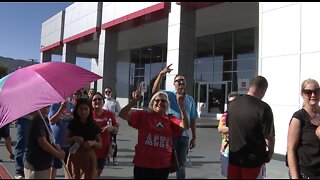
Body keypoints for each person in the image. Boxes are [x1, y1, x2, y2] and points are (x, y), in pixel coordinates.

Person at [119, 89, 189, 179]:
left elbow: (185, 126)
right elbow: (122, 114)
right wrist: (134, 101)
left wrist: (182, 109)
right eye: (157, 100)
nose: (160, 103)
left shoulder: (170, 119)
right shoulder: (143, 115)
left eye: (163, 101)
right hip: (143, 164)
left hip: (162, 166)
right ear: (152, 103)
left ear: (167, 104)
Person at [152, 64, 198, 179]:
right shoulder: (169, 95)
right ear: (174, 84)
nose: (181, 82)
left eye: (183, 81)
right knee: (166, 162)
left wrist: (194, 136)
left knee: (181, 164)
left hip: (184, 137)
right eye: (178, 81)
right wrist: (161, 74)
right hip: (170, 135)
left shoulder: (190, 99)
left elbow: (192, 119)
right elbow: (155, 91)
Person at [226, 75, 275, 179]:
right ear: (263, 91)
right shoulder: (263, 108)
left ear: (250, 87)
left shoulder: (231, 105)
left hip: (234, 159)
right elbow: (269, 136)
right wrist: (270, 153)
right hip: (253, 162)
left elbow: (229, 128)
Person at [287, 78, 320, 179]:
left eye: (316, 91)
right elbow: (291, 149)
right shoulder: (299, 117)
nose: (313, 95)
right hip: (306, 174)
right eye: (308, 92)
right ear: (302, 94)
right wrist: (295, 177)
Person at [24, 106, 65, 179]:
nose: (47, 109)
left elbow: (47, 138)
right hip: (37, 165)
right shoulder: (38, 120)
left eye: (48, 107)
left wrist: (54, 146)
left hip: (44, 164)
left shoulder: (44, 119)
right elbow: (42, 142)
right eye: (44, 107)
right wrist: (57, 153)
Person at [65, 98, 102, 179]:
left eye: (86, 109)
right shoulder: (72, 123)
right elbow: (66, 141)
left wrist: (92, 143)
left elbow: (100, 144)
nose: (83, 112)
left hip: (89, 158)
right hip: (75, 156)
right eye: (81, 109)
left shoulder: (93, 125)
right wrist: (74, 138)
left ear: (90, 110)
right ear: (77, 109)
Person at [92, 92, 119, 177]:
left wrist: (112, 128)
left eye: (99, 99)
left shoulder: (109, 114)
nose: (97, 101)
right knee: (91, 173)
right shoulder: (88, 114)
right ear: (91, 102)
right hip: (91, 149)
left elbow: (116, 130)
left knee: (98, 172)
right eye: (94, 100)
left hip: (104, 149)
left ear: (103, 102)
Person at [48, 99, 75, 179]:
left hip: (68, 142)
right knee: (54, 166)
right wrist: (61, 108)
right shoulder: (54, 105)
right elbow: (52, 121)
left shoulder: (72, 105)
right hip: (57, 143)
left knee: (68, 167)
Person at [218, 91, 239, 177]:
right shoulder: (226, 115)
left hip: (241, 151)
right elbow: (221, 128)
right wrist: (238, 128)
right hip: (227, 151)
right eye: (230, 102)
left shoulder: (244, 114)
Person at [103, 87, 121, 165]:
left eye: (109, 92)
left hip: (113, 123)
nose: (107, 93)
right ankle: (107, 157)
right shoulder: (103, 101)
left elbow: (119, 112)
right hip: (104, 124)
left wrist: (112, 114)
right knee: (106, 141)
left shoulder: (115, 102)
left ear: (111, 92)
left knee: (114, 141)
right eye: (106, 92)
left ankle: (114, 157)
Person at [14, 114, 33, 179]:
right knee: (22, 143)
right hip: (24, 118)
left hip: (38, 117)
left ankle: (29, 168)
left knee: (33, 145)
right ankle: (19, 170)